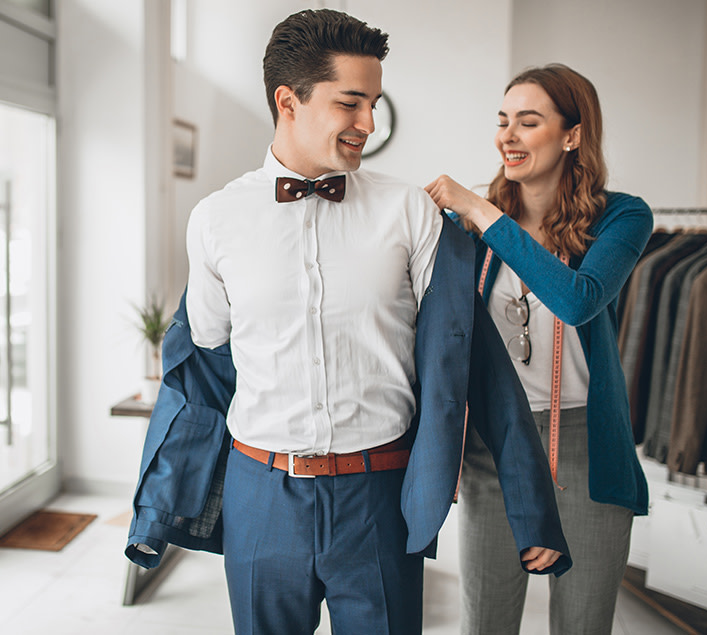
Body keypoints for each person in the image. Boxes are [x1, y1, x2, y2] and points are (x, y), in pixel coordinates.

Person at [127, 10, 571, 634]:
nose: (368, 123)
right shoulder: (214, 219)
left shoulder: (410, 213)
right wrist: (158, 507)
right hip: (261, 497)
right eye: (351, 103)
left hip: (380, 499)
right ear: (289, 101)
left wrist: (532, 512)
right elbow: (203, 363)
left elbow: (474, 364)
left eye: (374, 103)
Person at [425, 63, 651, 634]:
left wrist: (482, 212)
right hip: (494, 447)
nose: (508, 136)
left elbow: (578, 300)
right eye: (503, 121)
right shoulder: (464, 229)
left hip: (586, 448)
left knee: (583, 625)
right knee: (487, 624)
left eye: (528, 122)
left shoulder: (621, 217)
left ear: (572, 135)